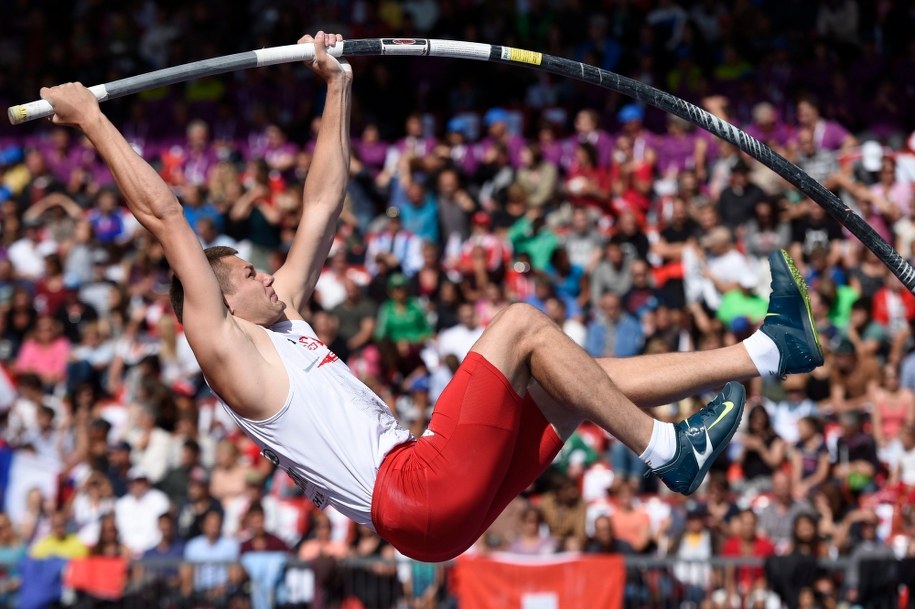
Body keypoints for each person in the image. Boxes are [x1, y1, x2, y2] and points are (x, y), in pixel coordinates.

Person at [41, 31, 824, 563]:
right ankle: (666, 450)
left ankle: (765, 350)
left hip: (432, 498)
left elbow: (321, 205)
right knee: (518, 322)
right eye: (244, 272)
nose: (261, 274)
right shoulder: (224, 347)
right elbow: (165, 214)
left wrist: (337, 87)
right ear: (214, 301)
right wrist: (90, 120)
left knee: (574, 374)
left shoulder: (279, 320)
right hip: (411, 490)